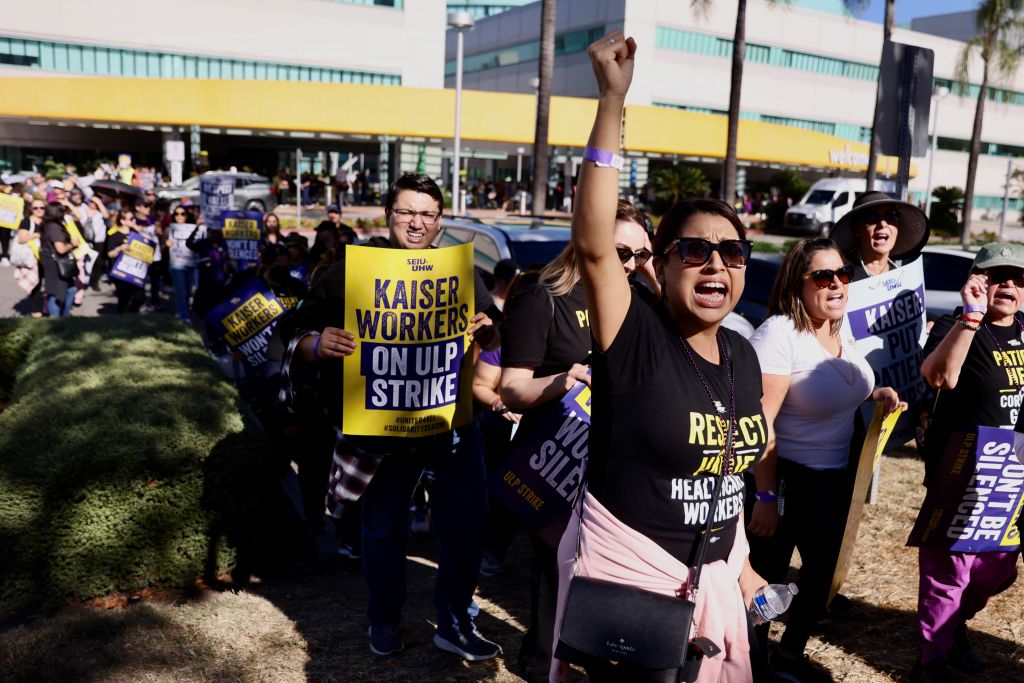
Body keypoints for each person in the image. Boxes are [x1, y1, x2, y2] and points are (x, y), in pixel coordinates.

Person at [554, 30, 769, 682]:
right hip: (633, 595)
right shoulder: (639, 338)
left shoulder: (742, 352)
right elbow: (593, 246)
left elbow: (727, 474)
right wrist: (611, 103)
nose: (714, 264)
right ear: (662, 263)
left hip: (715, 584)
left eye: (731, 253)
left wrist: (743, 562)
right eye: (694, 250)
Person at [279, 173, 501, 661]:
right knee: (382, 529)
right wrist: (318, 345)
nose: (417, 222)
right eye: (407, 212)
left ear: (440, 222)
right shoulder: (348, 271)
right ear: (388, 215)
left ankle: (455, 621)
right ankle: (383, 620)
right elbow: (290, 333)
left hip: (452, 427)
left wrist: (486, 332)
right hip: (381, 429)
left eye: (427, 213)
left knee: (465, 523)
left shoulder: (462, 271)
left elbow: (494, 335)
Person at [498, 202, 652, 682]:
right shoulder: (543, 299)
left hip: (618, 456)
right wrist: (566, 380)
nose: (628, 263)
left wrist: (650, 270)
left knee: (610, 565)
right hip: (556, 451)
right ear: (590, 241)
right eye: (621, 251)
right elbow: (511, 389)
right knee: (555, 563)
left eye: (641, 254)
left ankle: (598, 654)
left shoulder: (636, 298)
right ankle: (543, 662)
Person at [745, 238, 904, 682]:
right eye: (823, 276)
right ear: (798, 283)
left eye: (843, 275)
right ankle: (750, 663)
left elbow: (832, 383)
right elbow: (764, 426)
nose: (837, 284)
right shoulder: (779, 333)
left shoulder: (838, 326)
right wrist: (764, 495)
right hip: (786, 478)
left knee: (822, 578)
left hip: (836, 480)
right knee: (767, 583)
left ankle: (789, 655)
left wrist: (876, 393)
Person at [912, 243, 1024, 683]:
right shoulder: (955, 324)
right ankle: (930, 660)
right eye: (998, 277)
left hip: (1012, 475)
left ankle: (954, 626)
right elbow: (941, 377)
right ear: (978, 280)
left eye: (1018, 279)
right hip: (961, 470)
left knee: (996, 570)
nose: (1009, 286)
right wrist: (970, 317)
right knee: (949, 571)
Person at [831, 192, 929, 281]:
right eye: (871, 217)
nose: (882, 224)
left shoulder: (902, 280)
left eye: (891, 216)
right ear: (856, 229)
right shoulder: (841, 273)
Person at [39, 202, 79, 317]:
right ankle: (57, 320)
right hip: (57, 265)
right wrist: (72, 244)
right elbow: (60, 249)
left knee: (70, 289)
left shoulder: (47, 225)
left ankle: (63, 316)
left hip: (52, 263)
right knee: (57, 293)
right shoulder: (54, 227)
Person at [105, 210, 147, 314]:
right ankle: (123, 320)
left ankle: (133, 314)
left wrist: (138, 229)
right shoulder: (114, 235)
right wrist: (119, 248)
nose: (134, 220)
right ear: (122, 221)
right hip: (121, 272)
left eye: (134, 218)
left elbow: (150, 242)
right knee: (124, 298)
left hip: (136, 271)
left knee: (139, 297)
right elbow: (110, 254)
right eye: (131, 219)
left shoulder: (136, 233)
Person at [166, 205, 200, 323]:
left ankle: (182, 311)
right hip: (176, 264)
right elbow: (162, 243)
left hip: (191, 263)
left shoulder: (193, 227)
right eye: (176, 214)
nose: (179, 216)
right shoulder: (169, 228)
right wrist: (166, 243)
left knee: (188, 292)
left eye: (182, 214)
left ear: (186, 215)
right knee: (181, 291)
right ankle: (184, 315)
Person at [15, 199, 46, 317]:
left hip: (47, 257)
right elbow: (21, 239)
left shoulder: (47, 221)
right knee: (36, 284)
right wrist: (34, 236)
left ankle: (47, 307)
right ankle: (36, 310)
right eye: (36, 208)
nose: (39, 210)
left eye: (42, 207)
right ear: (31, 210)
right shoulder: (27, 222)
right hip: (33, 258)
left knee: (49, 283)